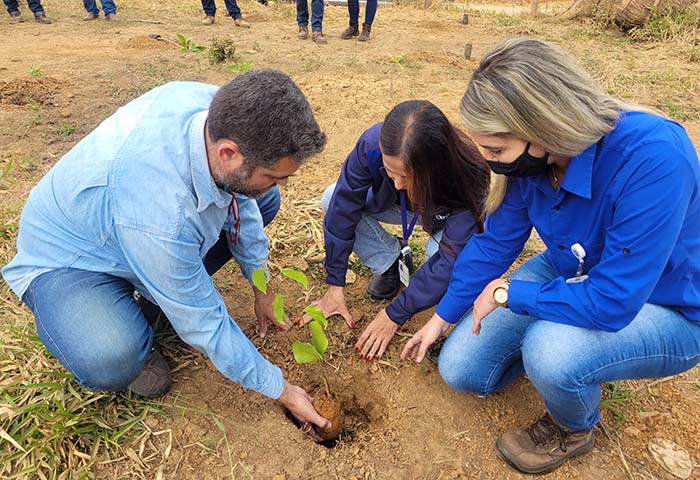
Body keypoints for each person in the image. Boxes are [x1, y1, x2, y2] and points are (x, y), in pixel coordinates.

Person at [401, 38, 700, 474]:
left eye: (497, 151)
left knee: (549, 350)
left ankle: (572, 426)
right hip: (575, 268)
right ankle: (559, 343)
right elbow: (494, 243)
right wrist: (442, 317)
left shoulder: (653, 157)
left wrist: (510, 297)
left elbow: (614, 299)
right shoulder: (536, 163)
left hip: (663, 304)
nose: (490, 163)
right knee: (461, 368)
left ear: (543, 126)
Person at [2, 69, 332, 439]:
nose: (285, 182)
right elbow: (205, 325)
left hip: (132, 231)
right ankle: (126, 323)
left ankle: (158, 290)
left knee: (262, 196)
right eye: (276, 173)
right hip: (71, 260)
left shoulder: (216, 109)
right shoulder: (161, 216)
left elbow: (241, 203)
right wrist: (281, 389)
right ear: (228, 153)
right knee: (111, 357)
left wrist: (262, 287)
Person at [307, 101, 490, 362]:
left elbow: (449, 257)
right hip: (397, 207)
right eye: (391, 172)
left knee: (446, 262)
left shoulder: (467, 174)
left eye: (408, 176)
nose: (398, 183)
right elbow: (344, 208)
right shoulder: (372, 146)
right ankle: (389, 261)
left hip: (444, 216)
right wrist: (335, 283)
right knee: (331, 198)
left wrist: (395, 314)